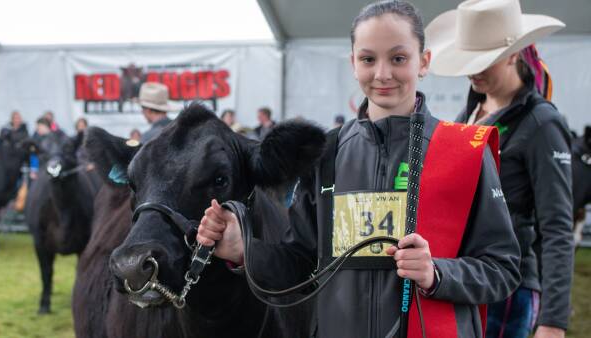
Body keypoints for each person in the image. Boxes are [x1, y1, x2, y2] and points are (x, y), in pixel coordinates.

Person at [197, 1, 521, 337]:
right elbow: (301, 265)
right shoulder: (326, 154)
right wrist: (243, 249)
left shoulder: (464, 151)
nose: (382, 74)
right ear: (353, 63)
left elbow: (503, 269)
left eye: (398, 58)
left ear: (424, 62)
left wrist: (436, 274)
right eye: (368, 59)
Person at [425, 1, 573, 337]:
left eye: (483, 62)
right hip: (467, 279)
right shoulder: (471, 113)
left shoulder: (542, 124)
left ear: (513, 55)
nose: (473, 72)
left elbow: (558, 227)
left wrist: (553, 321)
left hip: (511, 290)